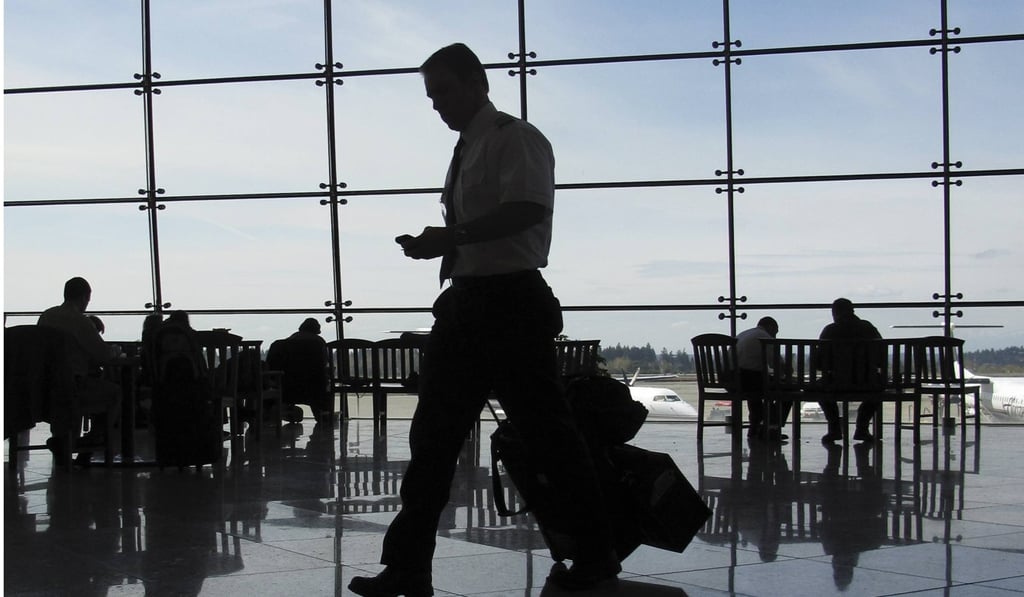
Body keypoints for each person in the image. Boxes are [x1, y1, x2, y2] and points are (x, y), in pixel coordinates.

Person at [349, 43, 618, 596]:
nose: (436, 105)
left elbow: (528, 210)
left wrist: (450, 237)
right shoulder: (467, 149)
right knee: (434, 439)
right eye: (431, 95)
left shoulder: (514, 138)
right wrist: (445, 245)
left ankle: (596, 553)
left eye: (443, 90)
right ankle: (406, 567)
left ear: (477, 83)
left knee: (548, 437)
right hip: (469, 303)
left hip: (511, 304)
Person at [37, 277, 122, 464]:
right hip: (73, 386)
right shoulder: (80, 321)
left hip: (45, 387)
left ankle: (64, 441)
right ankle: (90, 443)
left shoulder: (46, 316)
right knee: (114, 394)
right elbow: (103, 356)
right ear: (85, 297)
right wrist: (116, 351)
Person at [818, 298, 883, 443]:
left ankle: (834, 428)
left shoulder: (830, 330)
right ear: (852, 311)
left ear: (835, 313)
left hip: (836, 382)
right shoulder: (868, 328)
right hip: (868, 382)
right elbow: (881, 358)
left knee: (818, 390)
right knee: (879, 389)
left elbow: (819, 363)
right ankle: (862, 427)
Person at [735, 316, 790, 442]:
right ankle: (772, 428)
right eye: (775, 332)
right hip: (749, 379)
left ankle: (756, 427)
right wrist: (787, 372)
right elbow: (777, 364)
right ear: (771, 327)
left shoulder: (743, 334)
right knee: (786, 391)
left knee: (757, 390)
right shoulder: (764, 337)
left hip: (732, 380)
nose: (774, 337)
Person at [266, 318, 330, 424]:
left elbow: (270, 366)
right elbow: (323, 363)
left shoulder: (279, 345)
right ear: (317, 330)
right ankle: (323, 417)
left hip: (284, 386)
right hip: (312, 387)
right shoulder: (318, 343)